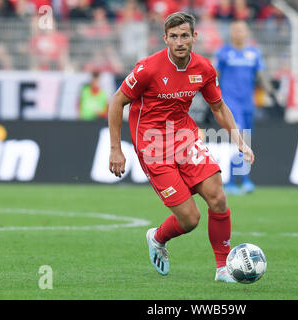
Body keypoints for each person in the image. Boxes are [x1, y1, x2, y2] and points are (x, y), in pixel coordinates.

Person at [108, 12, 254, 282]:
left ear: (194, 37)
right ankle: (158, 237)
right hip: (152, 146)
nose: (179, 42)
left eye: (184, 36)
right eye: (173, 36)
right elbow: (117, 102)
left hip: (185, 139)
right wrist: (116, 149)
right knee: (190, 219)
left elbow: (218, 107)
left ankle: (223, 269)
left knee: (218, 197)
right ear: (165, 39)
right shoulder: (148, 68)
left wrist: (239, 142)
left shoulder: (204, 69)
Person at [215, 20, 272, 195]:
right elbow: (215, 75)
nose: (239, 33)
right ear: (232, 33)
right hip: (230, 103)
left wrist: (272, 92)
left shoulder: (254, 53)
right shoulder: (223, 53)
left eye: (242, 30)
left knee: (245, 141)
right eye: (236, 30)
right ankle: (232, 181)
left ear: (247, 33)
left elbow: (261, 76)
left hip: (248, 103)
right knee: (236, 139)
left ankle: (245, 179)